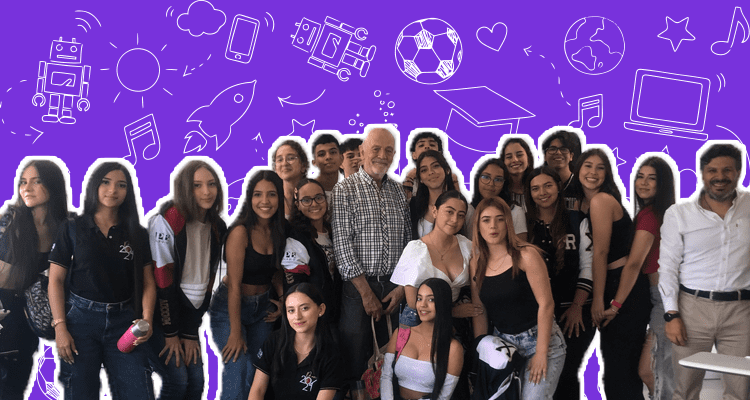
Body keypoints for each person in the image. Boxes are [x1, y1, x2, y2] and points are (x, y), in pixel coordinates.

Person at [48, 161, 156, 399]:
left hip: (124, 322)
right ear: (94, 185)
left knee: (138, 390)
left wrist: (146, 320)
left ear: (128, 192)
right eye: (106, 182)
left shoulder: (136, 233)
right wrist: (60, 327)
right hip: (80, 322)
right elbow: (55, 280)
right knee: (80, 392)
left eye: (121, 185)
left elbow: (148, 282)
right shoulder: (73, 227)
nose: (112, 190)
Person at [659, 143, 750, 400]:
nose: (719, 177)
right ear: (702, 173)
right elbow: (667, 268)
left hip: (740, 312)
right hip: (691, 310)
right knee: (685, 389)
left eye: (727, 170)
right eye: (712, 170)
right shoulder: (679, 214)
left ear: (739, 172)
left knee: (739, 391)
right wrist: (671, 314)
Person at [332, 126, 410, 387]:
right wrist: (366, 294)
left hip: (394, 287)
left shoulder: (399, 191)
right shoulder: (345, 190)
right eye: (375, 149)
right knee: (355, 354)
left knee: (396, 354)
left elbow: (409, 245)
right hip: (358, 288)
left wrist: (400, 288)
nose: (382, 155)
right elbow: (342, 246)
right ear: (362, 153)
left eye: (388, 150)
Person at [146, 160, 228, 400]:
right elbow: (162, 281)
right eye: (197, 185)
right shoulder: (168, 220)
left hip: (191, 316)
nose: (206, 191)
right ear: (185, 188)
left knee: (197, 383)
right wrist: (172, 332)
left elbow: (206, 284)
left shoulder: (217, 226)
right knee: (178, 381)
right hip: (161, 318)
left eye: (211, 184)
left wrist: (191, 331)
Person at [597, 156, 677, 400]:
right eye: (640, 176)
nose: (643, 183)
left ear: (662, 184)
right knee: (651, 370)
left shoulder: (650, 216)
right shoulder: (655, 213)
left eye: (651, 178)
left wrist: (615, 305)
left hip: (663, 299)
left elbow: (633, 265)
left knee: (651, 371)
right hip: (658, 298)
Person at [470, 196, 565, 399]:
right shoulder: (476, 262)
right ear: (477, 225)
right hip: (503, 346)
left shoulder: (526, 255)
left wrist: (540, 353)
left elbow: (546, 304)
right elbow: (479, 309)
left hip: (541, 342)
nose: (493, 226)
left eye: (500, 219)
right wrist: (482, 346)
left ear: (508, 223)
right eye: (486, 220)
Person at [575, 148, 650, 400]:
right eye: (588, 166)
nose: (593, 172)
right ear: (578, 169)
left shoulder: (601, 200)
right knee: (617, 370)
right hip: (614, 284)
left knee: (621, 372)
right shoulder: (585, 203)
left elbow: (601, 253)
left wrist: (598, 299)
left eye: (600, 167)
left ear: (607, 174)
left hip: (622, 287)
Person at [208, 169, 286, 400]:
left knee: (258, 371)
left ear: (279, 198)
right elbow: (234, 286)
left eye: (271, 194)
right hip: (230, 308)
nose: (264, 201)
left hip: (262, 308)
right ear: (249, 198)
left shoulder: (279, 231)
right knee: (238, 366)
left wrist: (282, 301)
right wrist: (234, 332)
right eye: (257, 194)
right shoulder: (240, 232)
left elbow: (276, 274)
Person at [0, 159, 69, 400]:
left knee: (18, 384)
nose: (26, 188)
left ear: (53, 185)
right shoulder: (8, 222)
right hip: (6, 317)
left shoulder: (69, 226)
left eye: (36, 181)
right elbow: (3, 280)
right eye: (23, 182)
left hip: (45, 318)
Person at [525, 166, 593, 400]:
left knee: (566, 375)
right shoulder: (525, 225)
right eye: (535, 188)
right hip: (536, 315)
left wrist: (576, 307)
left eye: (548, 185)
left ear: (558, 188)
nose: (542, 192)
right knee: (539, 378)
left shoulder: (578, 220)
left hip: (572, 312)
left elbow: (589, 266)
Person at [393, 190, 479, 326]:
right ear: (435, 211)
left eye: (461, 215)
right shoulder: (415, 249)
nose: (455, 219)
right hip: (419, 321)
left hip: (456, 321)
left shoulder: (467, 247)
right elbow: (412, 302)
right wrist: (453, 311)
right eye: (449, 212)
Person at [249, 283, 343, 400]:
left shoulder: (330, 354)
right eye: (291, 310)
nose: (297, 316)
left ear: (321, 309)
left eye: (304, 308)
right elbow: (257, 391)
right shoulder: (274, 341)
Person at [380, 278, 463, 400]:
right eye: (419, 298)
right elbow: (386, 376)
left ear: (443, 303)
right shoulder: (401, 333)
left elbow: (444, 395)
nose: (423, 305)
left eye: (431, 299)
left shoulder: (453, 348)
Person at [285, 178, 342, 325]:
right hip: (312, 318)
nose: (314, 204)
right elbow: (294, 286)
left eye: (318, 198)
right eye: (306, 200)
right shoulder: (296, 239)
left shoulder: (334, 232)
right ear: (297, 205)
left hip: (337, 312)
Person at [470, 156, 527, 240]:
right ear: (477, 179)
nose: (491, 184)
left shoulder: (514, 212)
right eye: (486, 177)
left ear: (504, 184)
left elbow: (521, 249)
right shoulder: (469, 211)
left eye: (498, 179)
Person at [409, 150, 457, 238]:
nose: (430, 172)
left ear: (447, 170)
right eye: (424, 170)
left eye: (436, 166)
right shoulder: (413, 206)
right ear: (420, 179)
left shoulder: (463, 207)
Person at [402, 131, 460, 200]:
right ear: (414, 155)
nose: (427, 147)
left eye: (432, 145)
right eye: (421, 145)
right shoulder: (409, 179)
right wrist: (409, 179)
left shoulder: (450, 177)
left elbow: (459, 203)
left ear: (440, 153)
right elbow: (403, 206)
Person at [540, 130, 582, 210]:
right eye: (552, 149)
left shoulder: (581, 184)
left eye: (563, 149)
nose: (558, 153)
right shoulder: (538, 183)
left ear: (571, 156)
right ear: (545, 156)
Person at [272, 139, 310, 218]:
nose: (284, 163)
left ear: (303, 166)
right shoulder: (271, 200)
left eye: (291, 158)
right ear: (275, 168)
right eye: (280, 160)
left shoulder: (314, 195)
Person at [500, 137, 535, 210]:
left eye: (519, 155)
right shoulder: (499, 190)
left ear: (528, 159)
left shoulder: (537, 187)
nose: (515, 160)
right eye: (509, 157)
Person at [310, 134, 344, 198]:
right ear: (314, 162)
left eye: (333, 152)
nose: (328, 157)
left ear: (341, 158)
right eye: (321, 154)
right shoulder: (307, 190)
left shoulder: (348, 191)